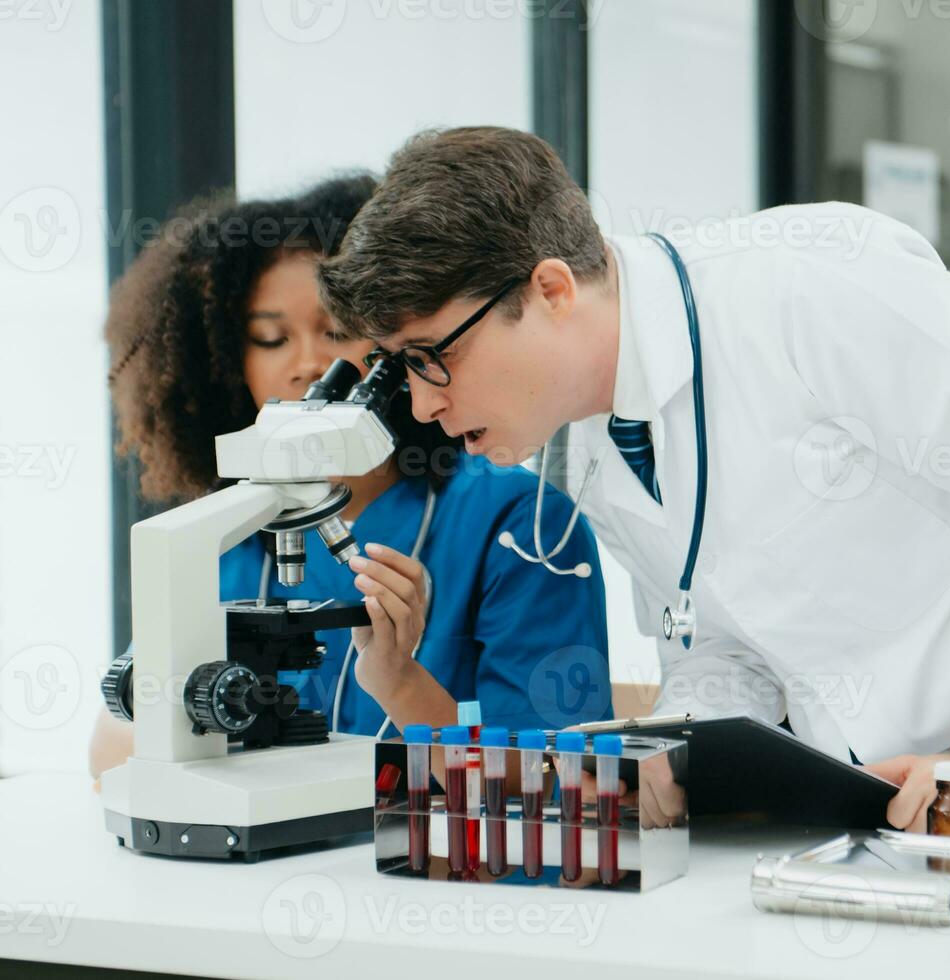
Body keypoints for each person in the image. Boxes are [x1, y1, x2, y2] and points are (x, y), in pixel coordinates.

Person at [316, 127, 950, 978]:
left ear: (546, 289)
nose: (418, 402)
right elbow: (729, 634)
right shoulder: (590, 440)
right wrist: (667, 757)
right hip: (898, 824)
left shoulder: (808, 287)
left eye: (427, 358)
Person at [89, 174, 611, 779]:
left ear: (397, 348)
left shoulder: (521, 527)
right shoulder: (218, 535)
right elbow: (110, 755)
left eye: (337, 333)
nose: (308, 363)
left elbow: (557, 780)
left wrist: (400, 681)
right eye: (270, 338)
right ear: (226, 364)